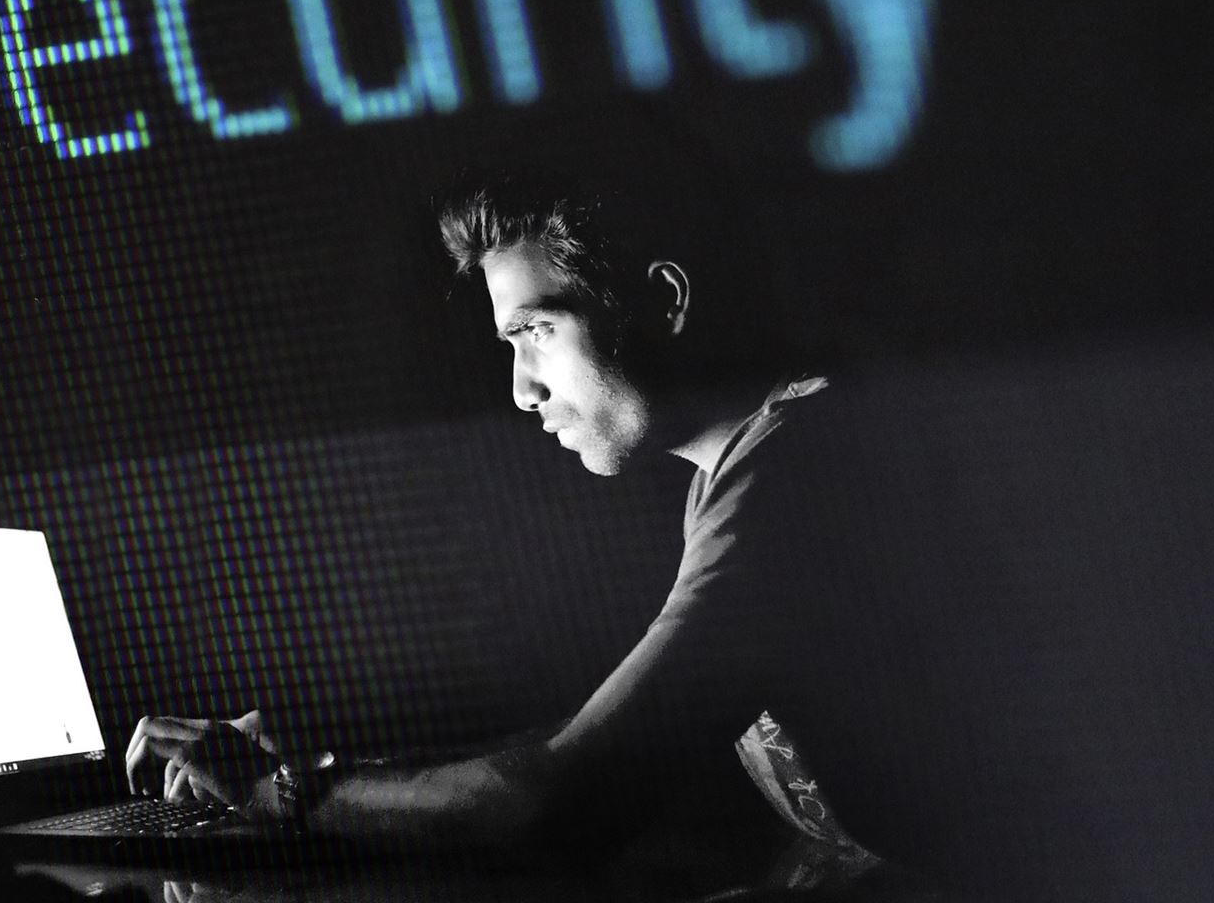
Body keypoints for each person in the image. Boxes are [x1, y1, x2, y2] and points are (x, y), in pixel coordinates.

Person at [125, 148, 932, 891]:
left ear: (663, 300)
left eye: (538, 332)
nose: (522, 389)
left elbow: (561, 801)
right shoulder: (748, 463)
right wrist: (329, 769)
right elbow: (594, 742)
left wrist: (282, 793)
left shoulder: (796, 474)